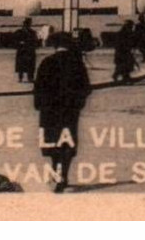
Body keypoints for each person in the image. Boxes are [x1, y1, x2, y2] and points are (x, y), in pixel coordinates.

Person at [33, 31, 91, 192]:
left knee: (52, 142)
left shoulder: (47, 62)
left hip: (50, 110)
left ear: (55, 45)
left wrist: (39, 105)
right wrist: (78, 103)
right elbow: (86, 87)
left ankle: (57, 171)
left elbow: (38, 88)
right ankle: (63, 174)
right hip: (69, 110)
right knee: (67, 143)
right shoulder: (76, 63)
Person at [12, 18, 38, 84]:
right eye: (27, 24)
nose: (28, 25)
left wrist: (33, 45)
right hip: (22, 50)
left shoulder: (33, 32)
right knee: (21, 65)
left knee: (30, 65)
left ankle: (30, 78)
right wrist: (20, 43)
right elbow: (14, 41)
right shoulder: (19, 32)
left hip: (30, 50)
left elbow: (35, 41)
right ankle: (21, 78)